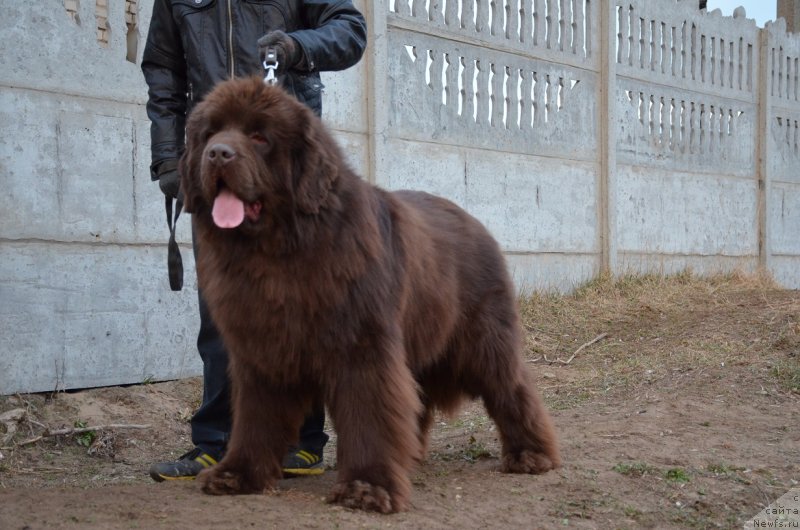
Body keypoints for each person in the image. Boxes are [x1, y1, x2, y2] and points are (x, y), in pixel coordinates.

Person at [141, 0, 367, 482]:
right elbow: (163, 69)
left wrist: (297, 46)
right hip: (214, 165)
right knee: (223, 317)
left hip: (283, 176)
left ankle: (303, 443)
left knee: (305, 314)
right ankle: (218, 442)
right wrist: (168, 158)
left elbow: (350, 32)